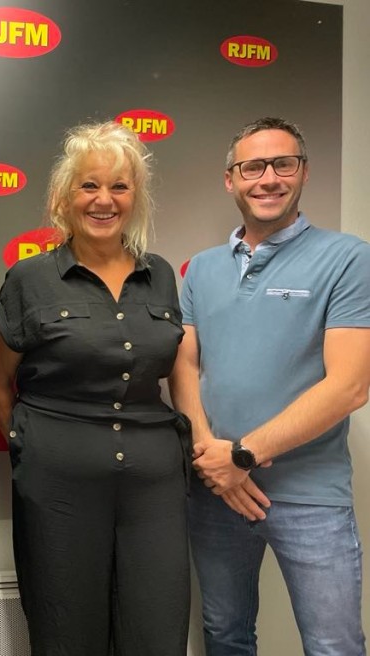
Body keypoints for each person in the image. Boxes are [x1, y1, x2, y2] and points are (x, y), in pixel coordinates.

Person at [0, 121, 190, 655]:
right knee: (65, 630)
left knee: (157, 629)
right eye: (89, 185)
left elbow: (175, 367)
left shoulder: (161, 275)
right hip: (58, 487)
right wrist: (29, 444)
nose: (104, 199)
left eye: (119, 186)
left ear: (135, 197)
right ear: (64, 196)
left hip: (154, 489)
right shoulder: (30, 279)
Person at [170, 117, 370, 656]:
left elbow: (350, 386)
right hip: (215, 491)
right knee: (225, 636)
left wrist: (243, 455)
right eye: (253, 167)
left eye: (284, 164)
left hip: (309, 496)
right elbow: (184, 366)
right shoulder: (201, 270)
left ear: (303, 172)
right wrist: (211, 455)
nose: (269, 178)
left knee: (333, 646)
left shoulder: (348, 258)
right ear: (230, 180)